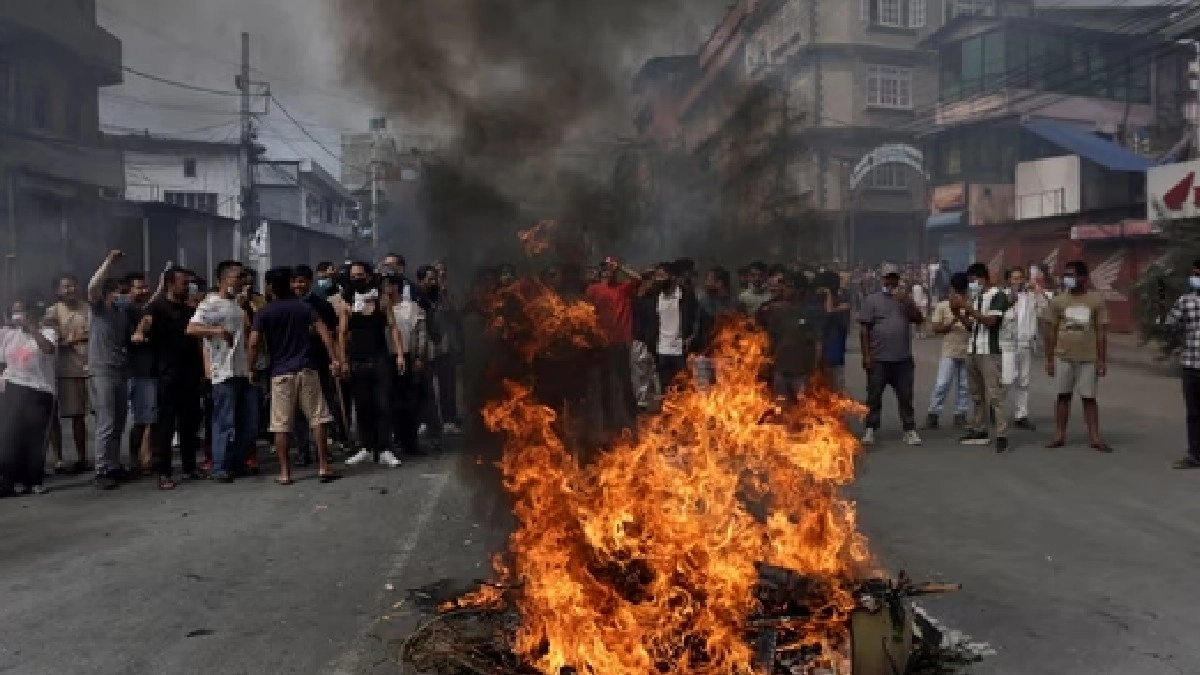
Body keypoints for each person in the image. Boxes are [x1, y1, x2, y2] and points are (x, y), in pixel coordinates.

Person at [249, 267, 343, 485]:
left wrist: (251, 368)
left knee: (280, 424)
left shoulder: (265, 312)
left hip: (280, 372)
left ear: (270, 286)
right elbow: (324, 333)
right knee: (317, 419)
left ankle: (285, 473)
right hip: (307, 368)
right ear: (290, 284)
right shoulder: (304, 307)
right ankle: (323, 466)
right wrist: (334, 359)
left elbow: (253, 343)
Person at [186, 261, 256, 483]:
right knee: (224, 421)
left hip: (241, 370)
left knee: (248, 422)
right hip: (223, 371)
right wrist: (216, 330)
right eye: (238, 277)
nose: (242, 281)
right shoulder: (210, 304)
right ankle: (219, 466)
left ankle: (236, 462)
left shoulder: (237, 304)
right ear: (223, 280)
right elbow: (192, 328)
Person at [136, 266, 205, 487]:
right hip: (167, 375)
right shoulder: (157, 307)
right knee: (165, 425)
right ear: (170, 284)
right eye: (183, 283)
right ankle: (163, 472)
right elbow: (145, 322)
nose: (187, 287)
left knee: (189, 423)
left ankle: (189, 467)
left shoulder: (190, 309)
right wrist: (140, 332)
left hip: (190, 373)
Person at [338, 262, 405, 468]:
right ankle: (367, 448)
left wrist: (399, 354)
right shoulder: (347, 302)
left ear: (368, 276)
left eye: (360, 275)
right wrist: (343, 360)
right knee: (362, 405)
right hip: (357, 361)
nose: (356, 279)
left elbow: (393, 328)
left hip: (380, 359)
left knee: (383, 404)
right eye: (353, 276)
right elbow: (342, 333)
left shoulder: (382, 300)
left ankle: (384, 449)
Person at [1044, 260, 1111, 453]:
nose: (1067, 279)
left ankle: (1094, 436)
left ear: (1083, 278)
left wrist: (1101, 360)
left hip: (1088, 357)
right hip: (1063, 356)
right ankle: (1059, 435)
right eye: (1066, 275)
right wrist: (1050, 359)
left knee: (1089, 398)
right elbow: (1051, 331)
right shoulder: (1058, 301)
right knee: (1062, 396)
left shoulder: (1096, 301)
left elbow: (1101, 332)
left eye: (1071, 275)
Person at [87, 251, 139, 489]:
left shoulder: (122, 314)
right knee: (106, 422)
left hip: (120, 371)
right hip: (102, 370)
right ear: (108, 294)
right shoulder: (99, 309)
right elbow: (93, 287)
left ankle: (113, 464)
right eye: (119, 293)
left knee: (119, 422)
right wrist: (108, 261)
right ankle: (101, 469)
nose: (123, 296)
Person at [859, 263, 924, 446]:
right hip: (879, 358)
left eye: (894, 278)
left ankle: (909, 429)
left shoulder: (905, 300)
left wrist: (907, 302)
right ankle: (870, 428)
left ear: (898, 279)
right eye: (888, 278)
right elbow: (864, 330)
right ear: (883, 279)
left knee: (906, 396)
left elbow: (919, 319)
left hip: (902, 358)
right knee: (874, 396)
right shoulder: (872, 300)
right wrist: (866, 355)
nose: (891, 281)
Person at [0, 300, 57, 496]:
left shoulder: (47, 332)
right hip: (13, 387)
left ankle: (33, 480)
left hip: (39, 390)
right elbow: (3, 362)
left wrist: (32, 328)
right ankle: (9, 481)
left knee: (34, 438)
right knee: (10, 437)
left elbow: (48, 349)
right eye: (15, 312)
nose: (18, 316)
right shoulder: (8, 334)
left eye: (22, 311)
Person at [954, 262, 1012, 452]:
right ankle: (979, 428)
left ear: (983, 278)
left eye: (974, 280)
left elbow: (991, 322)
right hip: (973, 349)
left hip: (990, 351)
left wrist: (967, 307)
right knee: (977, 394)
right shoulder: (976, 297)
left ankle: (1002, 434)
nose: (972, 284)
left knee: (994, 394)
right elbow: (972, 326)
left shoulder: (998, 296)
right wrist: (957, 313)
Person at [291, 265, 345, 465]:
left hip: (318, 361)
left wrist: (335, 359)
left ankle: (324, 449)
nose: (298, 285)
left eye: (301, 281)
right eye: (295, 281)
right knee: (297, 411)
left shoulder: (321, 305)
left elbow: (332, 332)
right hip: (293, 362)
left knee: (321, 408)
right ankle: (303, 451)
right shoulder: (286, 304)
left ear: (309, 282)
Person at [585, 257, 642, 432]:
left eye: (612, 269)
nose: (609, 272)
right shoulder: (593, 289)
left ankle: (633, 419)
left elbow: (638, 279)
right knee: (605, 383)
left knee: (624, 381)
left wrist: (620, 267)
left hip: (620, 342)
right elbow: (586, 312)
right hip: (601, 343)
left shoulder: (623, 288)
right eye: (606, 268)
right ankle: (609, 423)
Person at [43, 273, 90, 474]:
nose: (71, 289)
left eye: (73, 285)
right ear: (58, 291)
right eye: (66, 287)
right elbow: (48, 340)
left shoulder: (87, 308)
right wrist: (65, 342)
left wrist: (78, 339)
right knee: (60, 416)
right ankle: (59, 459)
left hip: (86, 368)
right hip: (63, 370)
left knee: (82, 417)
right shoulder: (52, 312)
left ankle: (82, 458)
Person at [758, 273, 824, 403]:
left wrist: (815, 369)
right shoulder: (776, 310)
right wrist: (766, 361)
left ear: (800, 290)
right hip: (780, 369)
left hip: (801, 372)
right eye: (784, 286)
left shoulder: (811, 311)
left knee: (804, 409)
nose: (784, 289)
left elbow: (818, 343)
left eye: (789, 286)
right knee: (781, 407)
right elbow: (770, 338)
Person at [1001, 267, 1048, 431]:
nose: (1018, 281)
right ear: (1008, 280)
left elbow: (1044, 310)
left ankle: (1021, 415)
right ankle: (997, 408)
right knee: (1007, 379)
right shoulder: (1002, 296)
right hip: (1007, 343)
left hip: (1026, 343)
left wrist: (1039, 292)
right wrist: (1011, 297)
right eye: (1015, 278)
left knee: (1023, 380)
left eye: (1021, 278)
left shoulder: (1031, 296)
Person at [925, 272, 972, 430]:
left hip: (967, 349)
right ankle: (933, 414)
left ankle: (960, 414)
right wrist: (952, 322)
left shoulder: (970, 305)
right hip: (949, 350)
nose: (959, 293)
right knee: (942, 383)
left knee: (964, 385)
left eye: (961, 291)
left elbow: (972, 327)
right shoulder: (943, 306)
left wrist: (962, 313)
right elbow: (936, 328)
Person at [1167, 260, 1200, 469]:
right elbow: (1172, 324)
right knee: (1194, 413)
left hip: (1191, 362)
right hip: (1191, 364)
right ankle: (1194, 453)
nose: (1195, 278)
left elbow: (1173, 326)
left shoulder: (1185, 301)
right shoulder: (1185, 301)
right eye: (1194, 274)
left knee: (1195, 412)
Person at [125, 272, 157, 474]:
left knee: (151, 419)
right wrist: (142, 326)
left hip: (153, 370)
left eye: (146, 287)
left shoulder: (149, 310)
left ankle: (147, 459)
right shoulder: (125, 312)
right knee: (140, 420)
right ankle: (135, 459)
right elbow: (133, 339)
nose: (144, 291)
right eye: (139, 287)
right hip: (137, 371)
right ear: (129, 290)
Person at [652, 262, 699, 391]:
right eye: (656, 276)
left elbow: (696, 318)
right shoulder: (655, 297)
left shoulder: (686, 295)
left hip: (680, 351)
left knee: (684, 389)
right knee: (666, 390)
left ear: (672, 277)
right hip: (662, 351)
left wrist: (692, 336)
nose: (658, 279)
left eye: (661, 276)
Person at [814, 271, 851, 393]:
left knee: (835, 389)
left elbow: (829, 311)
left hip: (834, 355)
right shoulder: (816, 303)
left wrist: (828, 294)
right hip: (821, 356)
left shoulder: (843, 300)